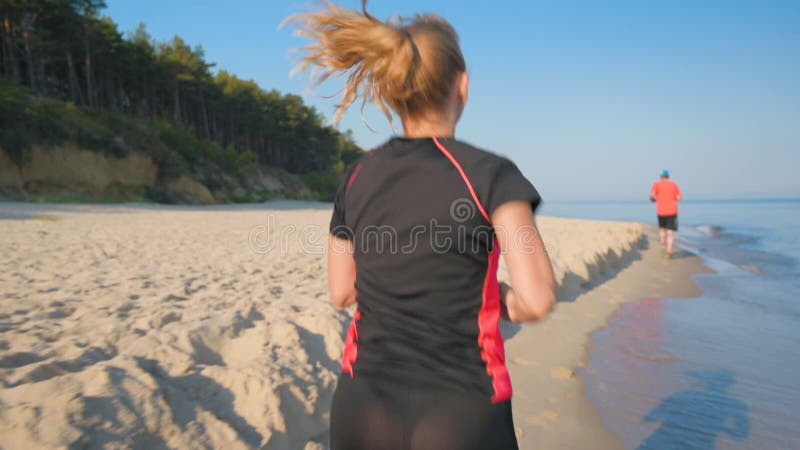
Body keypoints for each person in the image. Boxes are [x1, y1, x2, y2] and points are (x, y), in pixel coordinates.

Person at [288, 2, 558, 449]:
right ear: (463, 86)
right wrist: (484, 292)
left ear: (391, 94)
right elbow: (537, 300)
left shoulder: (356, 176)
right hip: (463, 408)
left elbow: (342, 292)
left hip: (362, 402)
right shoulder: (492, 175)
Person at [650, 170, 682, 258]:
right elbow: (679, 198)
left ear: (661, 177)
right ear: (668, 177)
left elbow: (652, 196)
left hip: (661, 211)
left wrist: (654, 199)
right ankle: (669, 252)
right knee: (670, 232)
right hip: (672, 211)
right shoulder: (674, 185)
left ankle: (663, 245)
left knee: (662, 229)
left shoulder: (657, 185)